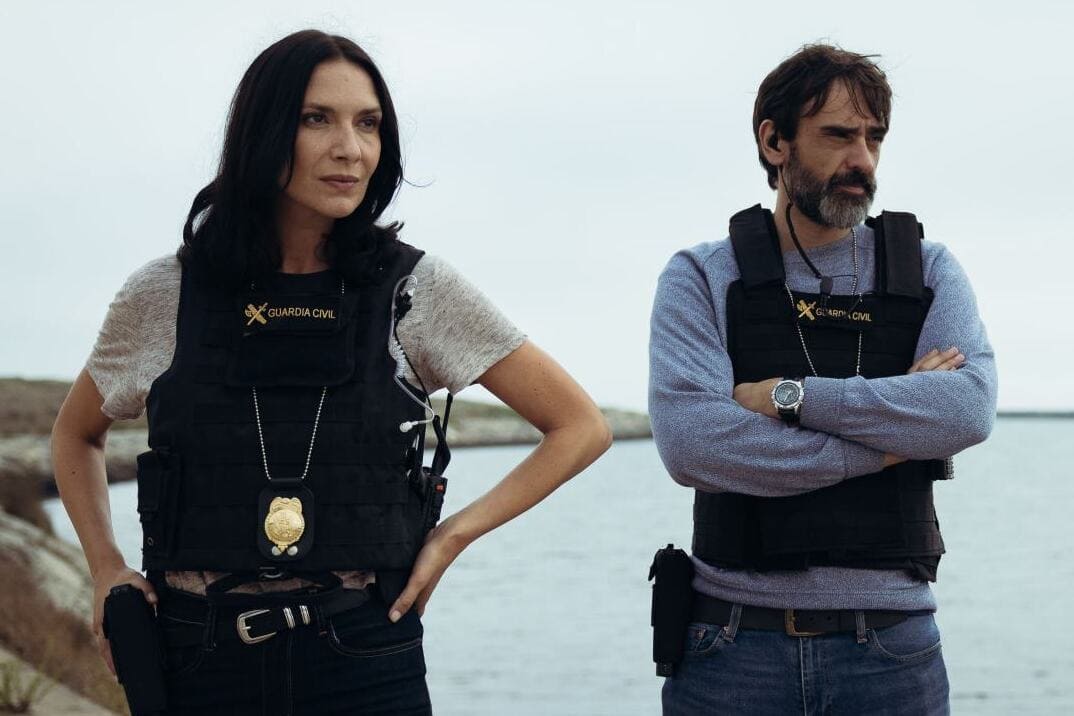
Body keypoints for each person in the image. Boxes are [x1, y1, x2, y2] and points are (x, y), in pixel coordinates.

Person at [51, 29, 612, 715]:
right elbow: (75, 434)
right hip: (198, 656)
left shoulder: (415, 290)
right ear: (263, 131)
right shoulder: (165, 293)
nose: (351, 148)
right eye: (317, 118)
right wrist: (106, 567)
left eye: (368, 124)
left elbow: (579, 427)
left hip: (365, 655)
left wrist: (451, 537)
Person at [649, 44, 997, 714]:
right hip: (731, 646)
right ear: (774, 141)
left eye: (874, 138)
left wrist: (792, 398)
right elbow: (694, 446)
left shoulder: (928, 270)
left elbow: (967, 411)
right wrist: (894, 443)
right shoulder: (702, 276)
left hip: (892, 649)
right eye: (838, 135)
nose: (862, 160)